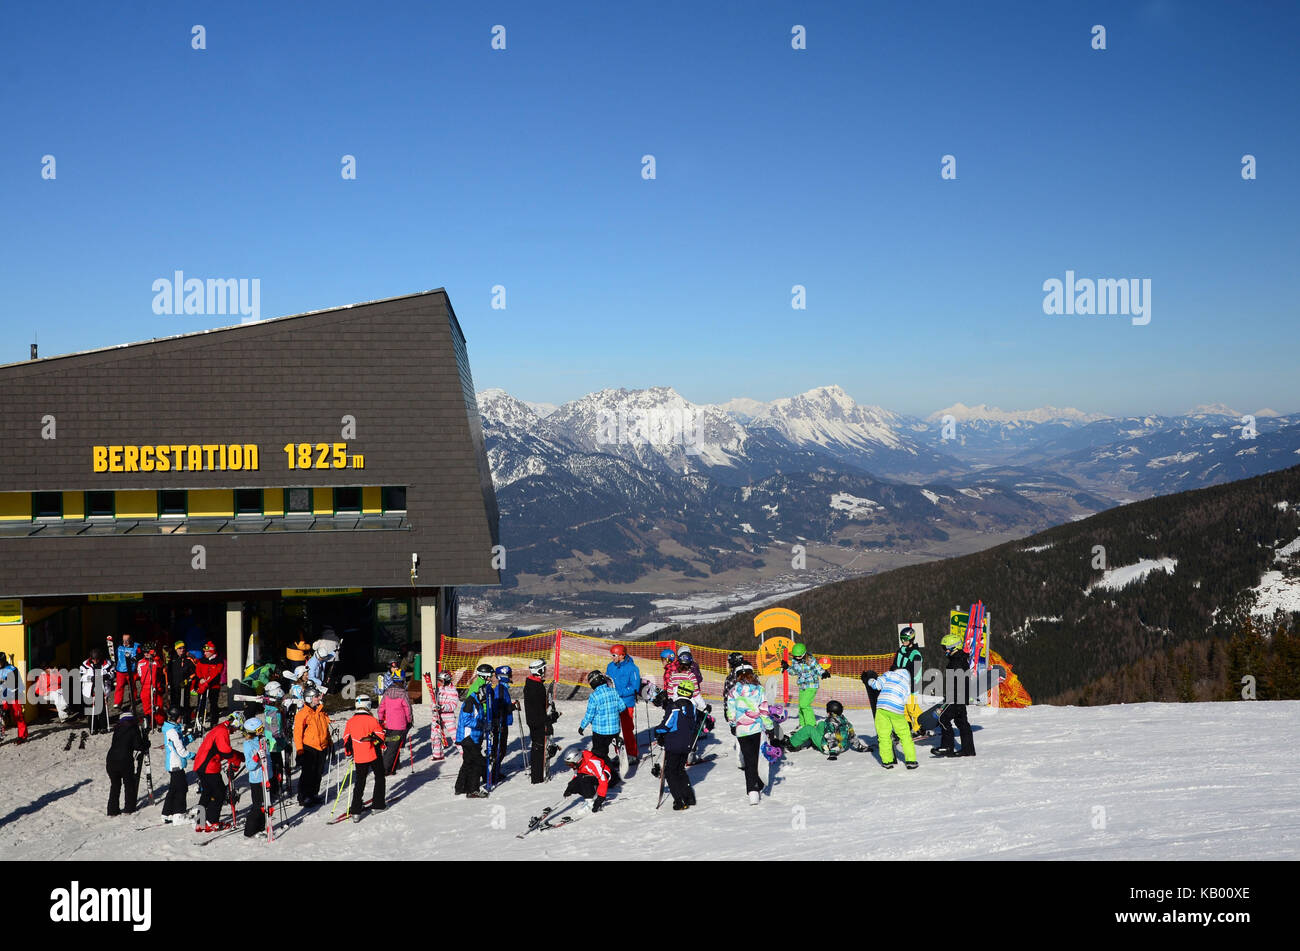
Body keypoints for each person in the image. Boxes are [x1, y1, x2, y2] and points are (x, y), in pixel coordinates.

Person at [727, 664, 774, 805]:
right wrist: (770, 727)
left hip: (742, 730)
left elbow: (731, 711)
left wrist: (733, 725)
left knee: (749, 760)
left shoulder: (733, 691)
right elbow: (764, 710)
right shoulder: (759, 690)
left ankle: (753, 792)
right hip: (756, 729)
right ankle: (758, 783)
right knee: (758, 758)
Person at [193, 712, 245, 831]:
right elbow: (225, 752)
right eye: (237, 727)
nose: (236, 730)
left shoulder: (221, 729)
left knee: (207, 793)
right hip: (208, 767)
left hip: (202, 765)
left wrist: (240, 756)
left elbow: (223, 749)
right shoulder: (222, 731)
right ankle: (212, 822)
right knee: (219, 793)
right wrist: (236, 762)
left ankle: (200, 822)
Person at [653, 681, 698, 811]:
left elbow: (667, 724)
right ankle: (689, 796)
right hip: (686, 743)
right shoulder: (692, 707)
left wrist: (657, 731)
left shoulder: (674, 706)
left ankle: (679, 800)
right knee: (680, 770)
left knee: (670, 772)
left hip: (674, 743)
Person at [341, 697, 386, 821]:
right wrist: (381, 745)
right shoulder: (372, 720)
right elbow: (381, 736)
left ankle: (355, 811)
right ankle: (378, 805)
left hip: (359, 756)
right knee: (380, 776)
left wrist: (349, 753)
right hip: (373, 753)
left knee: (360, 781)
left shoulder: (350, 721)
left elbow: (346, 739)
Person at [934, 634, 975, 757]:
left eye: (946, 648)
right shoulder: (960, 658)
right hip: (960, 697)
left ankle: (947, 747)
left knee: (942, 718)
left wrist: (953, 698)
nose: (944, 651)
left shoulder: (956, 662)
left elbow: (959, 682)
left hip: (956, 697)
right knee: (962, 722)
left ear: (954, 647)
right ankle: (968, 750)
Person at [868, 667, 918, 769]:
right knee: (905, 736)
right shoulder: (907, 685)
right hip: (897, 710)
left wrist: (870, 681)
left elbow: (877, 685)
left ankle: (887, 761)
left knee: (884, 736)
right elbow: (905, 700)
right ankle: (911, 760)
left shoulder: (889, 674)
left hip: (882, 708)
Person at [578, 670, 623, 783]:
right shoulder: (613, 691)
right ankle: (607, 771)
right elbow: (622, 707)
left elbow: (590, 714)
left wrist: (582, 726)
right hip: (614, 730)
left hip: (601, 732)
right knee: (602, 752)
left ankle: (612, 777)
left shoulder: (594, 696)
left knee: (599, 754)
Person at [105, 709, 150, 816]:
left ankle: (112, 810)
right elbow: (138, 746)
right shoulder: (133, 729)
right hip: (125, 760)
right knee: (129, 784)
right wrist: (146, 744)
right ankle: (129, 808)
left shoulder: (117, 729)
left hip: (111, 759)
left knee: (115, 785)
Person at [604, 645, 642, 763]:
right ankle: (619, 753)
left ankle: (632, 754)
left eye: (614, 655)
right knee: (614, 730)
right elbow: (607, 680)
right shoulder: (610, 666)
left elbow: (635, 687)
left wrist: (620, 692)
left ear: (622, 655)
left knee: (627, 729)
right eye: (612, 655)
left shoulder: (632, 668)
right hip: (613, 703)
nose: (612, 657)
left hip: (626, 703)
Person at [293, 688, 330, 807]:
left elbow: (325, 728)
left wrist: (329, 742)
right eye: (316, 697)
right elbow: (297, 733)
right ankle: (303, 796)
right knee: (308, 773)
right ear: (309, 699)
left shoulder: (320, 711)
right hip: (309, 747)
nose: (319, 698)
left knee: (318, 772)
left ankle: (313, 793)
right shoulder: (302, 714)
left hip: (322, 747)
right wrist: (300, 751)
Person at [523, 659, 557, 783]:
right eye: (544, 669)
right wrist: (548, 719)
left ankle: (537, 775)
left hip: (534, 721)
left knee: (537, 748)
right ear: (539, 670)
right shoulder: (537, 687)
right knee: (539, 749)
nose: (546, 671)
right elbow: (539, 709)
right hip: (538, 723)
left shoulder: (533, 684)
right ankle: (538, 777)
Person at [454, 681, 490, 798]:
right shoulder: (470, 702)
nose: (484, 702)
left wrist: (484, 724)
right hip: (468, 738)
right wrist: (481, 723)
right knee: (477, 763)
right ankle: (472, 790)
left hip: (473, 737)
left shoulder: (476, 701)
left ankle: (460, 787)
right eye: (484, 700)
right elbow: (466, 721)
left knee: (468, 762)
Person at [160, 707, 196, 824]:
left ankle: (167, 813)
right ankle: (179, 815)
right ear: (175, 718)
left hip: (174, 762)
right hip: (176, 763)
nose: (181, 719)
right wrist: (194, 756)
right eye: (180, 717)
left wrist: (191, 737)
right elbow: (181, 751)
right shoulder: (172, 731)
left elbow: (180, 743)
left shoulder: (173, 729)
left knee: (174, 789)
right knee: (182, 788)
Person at [241, 716, 274, 837]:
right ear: (254, 731)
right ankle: (249, 831)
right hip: (257, 780)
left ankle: (260, 828)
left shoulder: (263, 741)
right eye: (260, 729)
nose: (262, 730)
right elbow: (249, 766)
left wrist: (274, 773)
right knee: (258, 806)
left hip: (267, 777)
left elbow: (268, 759)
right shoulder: (248, 745)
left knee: (267, 805)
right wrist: (256, 758)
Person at [783, 643, 828, 729]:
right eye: (795, 656)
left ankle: (811, 725)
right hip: (802, 685)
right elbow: (794, 672)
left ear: (804, 654)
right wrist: (787, 667)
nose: (797, 658)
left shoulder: (811, 660)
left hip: (811, 685)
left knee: (805, 705)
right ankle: (802, 725)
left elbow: (818, 668)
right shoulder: (795, 661)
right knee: (801, 706)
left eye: (799, 656)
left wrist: (823, 673)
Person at [377, 671, 413, 776]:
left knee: (392, 745)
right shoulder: (403, 694)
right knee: (393, 748)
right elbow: (408, 709)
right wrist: (409, 720)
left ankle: (394, 765)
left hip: (389, 725)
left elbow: (381, 707)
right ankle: (385, 769)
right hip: (400, 725)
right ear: (401, 681)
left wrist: (380, 718)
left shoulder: (387, 693)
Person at [488, 666, 516, 784]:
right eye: (509, 675)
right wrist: (511, 707)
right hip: (500, 723)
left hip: (502, 722)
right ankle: (493, 773)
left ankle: (496, 771)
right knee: (500, 749)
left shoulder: (503, 689)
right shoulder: (500, 689)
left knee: (501, 749)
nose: (511, 677)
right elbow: (499, 707)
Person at [261, 682, 288, 800]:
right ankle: (275, 789)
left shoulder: (271, 707)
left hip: (272, 742)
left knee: (275, 766)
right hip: (274, 744)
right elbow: (275, 730)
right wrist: (283, 742)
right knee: (276, 767)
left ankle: (275, 788)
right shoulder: (274, 711)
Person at [193, 641, 226, 730]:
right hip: (202, 685)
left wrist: (207, 682)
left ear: (211, 651)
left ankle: (214, 722)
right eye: (204, 651)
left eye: (206, 651)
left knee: (213, 704)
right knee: (201, 703)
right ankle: (199, 721)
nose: (205, 653)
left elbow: (216, 673)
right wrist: (200, 679)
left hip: (213, 686)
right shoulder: (202, 660)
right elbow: (198, 670)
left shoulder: (218, 661)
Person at [80, 647, 113, 734]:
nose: (95, 661)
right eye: (93, 659)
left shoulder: (107, 663)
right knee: (91, 709)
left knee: (102, 708)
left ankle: (103, 727)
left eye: (97, 659)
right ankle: (93, 727)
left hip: (101, 687)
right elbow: (81, 676)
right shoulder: (85, 664)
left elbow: (113, 673)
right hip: (90, 689)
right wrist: (91, 678)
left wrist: (107, 676)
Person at [432, 671, 460, 759]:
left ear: (446, 680)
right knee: (435, 736)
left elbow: (453, 705)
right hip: (437, 716)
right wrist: (434, 707)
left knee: (455, 736)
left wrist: (443, 707)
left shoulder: (453, 691)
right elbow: (434, 702)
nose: (439, 682)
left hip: (448, 717)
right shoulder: (439, 690)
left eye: (441, 680)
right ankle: (437, 755)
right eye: (438, 680)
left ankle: (465, 754)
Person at [167, 639, 195, 722]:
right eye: (180, 648)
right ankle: (174, 720)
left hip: (184, 686)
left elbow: (194, 673)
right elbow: (168, 672)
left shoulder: (188, 659)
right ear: (176, 649)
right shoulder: (172, 660)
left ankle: (186, 720)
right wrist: (168, 683)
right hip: (174, 686)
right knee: (174, 704)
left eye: (183, 648)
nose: (182, 650)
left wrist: (188, 680)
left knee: (184, 704)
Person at [137, 645, 165, 727]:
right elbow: (139, 674)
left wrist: (154, 656)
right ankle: (150, 723)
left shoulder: (155, 661)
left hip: (156, 687)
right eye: (145, 652)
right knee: (147, 706)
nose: (147, 654)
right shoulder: (140, 662)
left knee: (158, 706)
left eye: (148, 652)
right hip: (145, 687)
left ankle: (160, 722)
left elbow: (160, 665)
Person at [112, 634, 139, 709]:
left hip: (131, 670)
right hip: (120, 670)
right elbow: (114, 654)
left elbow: (141, 654)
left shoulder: (136, 646)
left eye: (127, 640)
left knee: (132, 686)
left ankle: (133, 699)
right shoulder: (119, 645)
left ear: (131, 639)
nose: (125, 642)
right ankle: (118, 702)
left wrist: (135, 658)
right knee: (119, 686)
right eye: (124, 640)